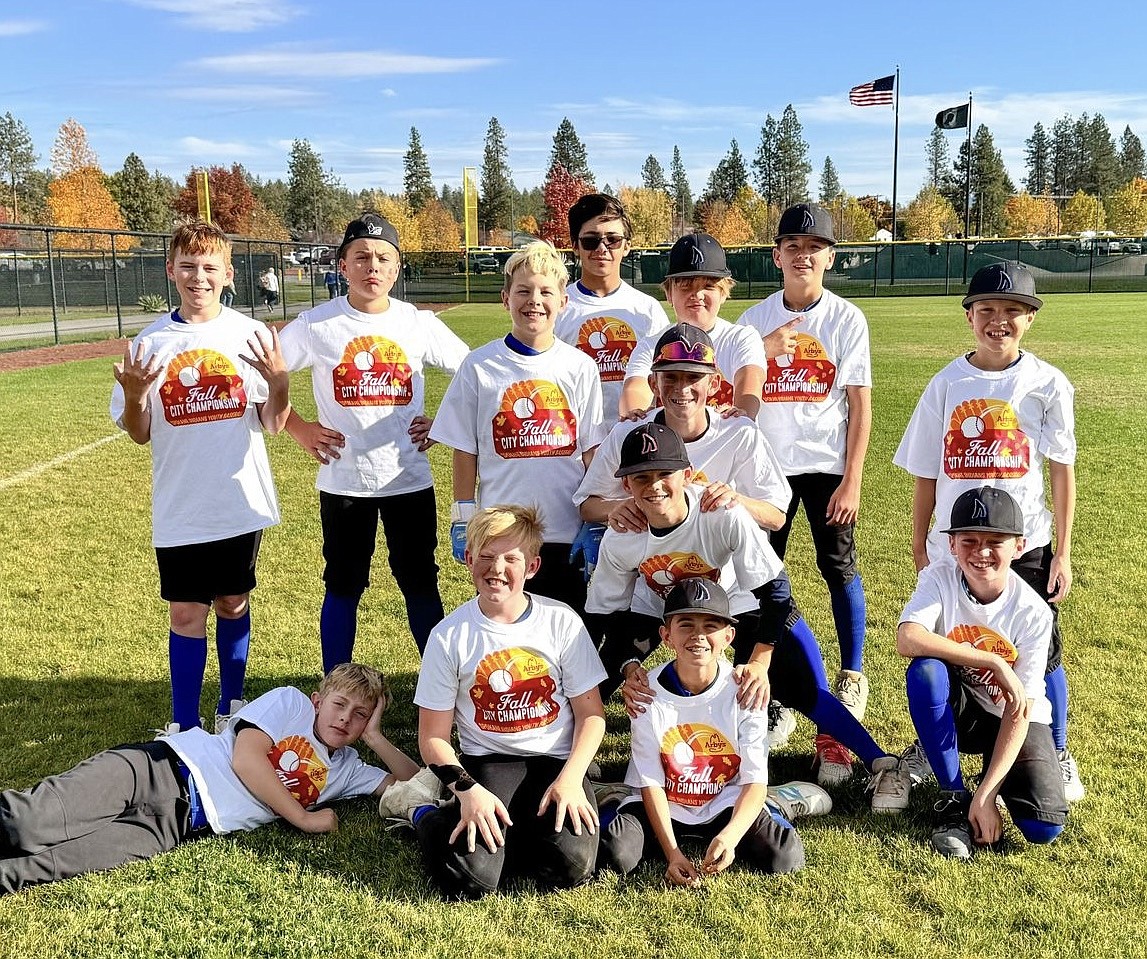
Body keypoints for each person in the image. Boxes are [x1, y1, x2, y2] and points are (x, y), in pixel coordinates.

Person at [586, 423, 912, 806]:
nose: (654, 485)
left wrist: (760, 660)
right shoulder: (623, 533)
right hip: (658, 607)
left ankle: (882, 762)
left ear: (687, 475)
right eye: (641, 477)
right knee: (594, 670)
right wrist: (627, 665)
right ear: (626, 486)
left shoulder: (720, 513)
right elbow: (603, 616)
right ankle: (567, 756)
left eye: (664, 474)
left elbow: (776, 592)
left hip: (738, 603)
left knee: (797, 686)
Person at [893, 261, 1082, 801]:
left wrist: (1062, 552)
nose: (998, 321)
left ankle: (1057, 748)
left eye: (1013, 312)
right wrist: (919, 541)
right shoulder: (947, 382)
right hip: (956, 543)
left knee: (1043, 652)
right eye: (987, 311)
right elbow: (927, 471)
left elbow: (1061, 471)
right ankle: (937, 748)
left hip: (1022, 545)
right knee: (946, 642)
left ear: (1030, 319)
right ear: (969, 315)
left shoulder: (1047, 383)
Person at [0, 663, 422, 894]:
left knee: (45, 866)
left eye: (360, 714)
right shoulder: (290, 703)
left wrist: (375, 738)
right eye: (339, 704)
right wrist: (304, 818)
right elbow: (247, 760)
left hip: (176, 827)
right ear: (318, 701)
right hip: (157, 771)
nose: (346, 717)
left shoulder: (347, 768)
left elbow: (414, 782)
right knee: (26, 823)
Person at [110, 221, 289, 733]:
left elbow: (274, 424)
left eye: (210, 266)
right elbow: (140, 433)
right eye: (188, 266)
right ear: (171, 270)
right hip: (181, 503)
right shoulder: (151, 342)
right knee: (186, 615)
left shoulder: (249, 335)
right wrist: (135, 395)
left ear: (228, 274)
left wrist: (278, 384)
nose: (199, 276)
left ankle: (231, 705)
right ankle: (184, 725)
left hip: (237, 502)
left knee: (233, 602)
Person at [279, 213, 470, 666]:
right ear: (342, 266)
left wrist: (441, 424)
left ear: (397, 268)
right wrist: (299, 427)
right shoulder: (316, 324)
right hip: (345, 481)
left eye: (384, 258)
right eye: (361, 257)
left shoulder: (416, 323)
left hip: (408, 479)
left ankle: (436, 684)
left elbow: (474, 372)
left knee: (420, 580)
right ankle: (335, 682)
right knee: (343, 583)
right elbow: (260, 377)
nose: (373, 267)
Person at [406, 505, 607, 898]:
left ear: (532, 566)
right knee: (473, 879)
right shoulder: (449, 636)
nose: (497, 568)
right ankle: (426, 813)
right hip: (490, 761)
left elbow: (592, 715)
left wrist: (570, 778)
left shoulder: (561, 620)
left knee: (572, 865)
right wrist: (469, 791)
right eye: (485, 556)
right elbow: (432, 738)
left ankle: (533, 827)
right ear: (468, 559)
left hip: (555, 759)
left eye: (511, 558)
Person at [736, 203, 874, 770]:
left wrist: (852, 479)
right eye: (792, 245)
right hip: (766, 469)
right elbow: (737, 392)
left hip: (823, 467)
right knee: (760, 578)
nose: (803, 255)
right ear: (777, 256)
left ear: (829, 257)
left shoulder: (846, 320)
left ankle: (852, 673)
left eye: (813, 246)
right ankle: (767, 687)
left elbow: (859, 405)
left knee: (837, 567)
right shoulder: (753, 320)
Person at [430, 241, 606, 617]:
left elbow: (591, 449)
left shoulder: (580, 366)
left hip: (565, 527)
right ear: (505, 298)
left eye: (546, 292)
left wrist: (597, 517)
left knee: (566, 623)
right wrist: (464, 516)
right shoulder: (479, 365)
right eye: (523, 291)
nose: (534, 301)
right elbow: (465, 448)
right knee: (504, 621)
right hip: (502, 531)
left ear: (563, 301)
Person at [598, 578, 813, 885]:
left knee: (784, 857)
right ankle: (612, 797)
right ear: (666, 635)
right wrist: (672, 853)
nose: (698, 636)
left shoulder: (746, 688)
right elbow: (652, 784)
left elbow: (753, 779)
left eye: (710, 626)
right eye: (686, 625)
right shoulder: (646, 692)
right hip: (665, 800)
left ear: (728, 636)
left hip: (725, 798)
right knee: (615, 853)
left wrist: (731, 836)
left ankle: (779, 801)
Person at [896, 487, 1068, 859]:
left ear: (1019, 546)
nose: (981, 551)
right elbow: (908, 637)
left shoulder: (1033, 612)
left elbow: (1020, 710)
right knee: (926, 673)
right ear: (952, 545)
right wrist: (992, 661)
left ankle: (992, 783)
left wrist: (987, 794)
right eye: (969, 540)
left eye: (995, 541)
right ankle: (954, 797)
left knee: (1044, 826)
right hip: (963, 709)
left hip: (1012, 718)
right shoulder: (939, 576)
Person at [619, 233, 765, 418]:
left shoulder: (741, 338)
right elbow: (635, 388)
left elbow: (750, 380)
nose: (697, 294)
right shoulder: (652, 344)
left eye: (709, 286)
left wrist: (743, 413)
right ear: (669, 294)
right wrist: (635, 413)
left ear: (724, 293)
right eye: (686, 286)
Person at [554, 193, 671, 418]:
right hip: (576, 444)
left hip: (636, 439)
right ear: (575, 247)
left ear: (627, 246)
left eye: (613, 239)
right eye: (590, 240)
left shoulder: (647, 310)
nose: (602, 248)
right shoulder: (558, 308)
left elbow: (665, 377)